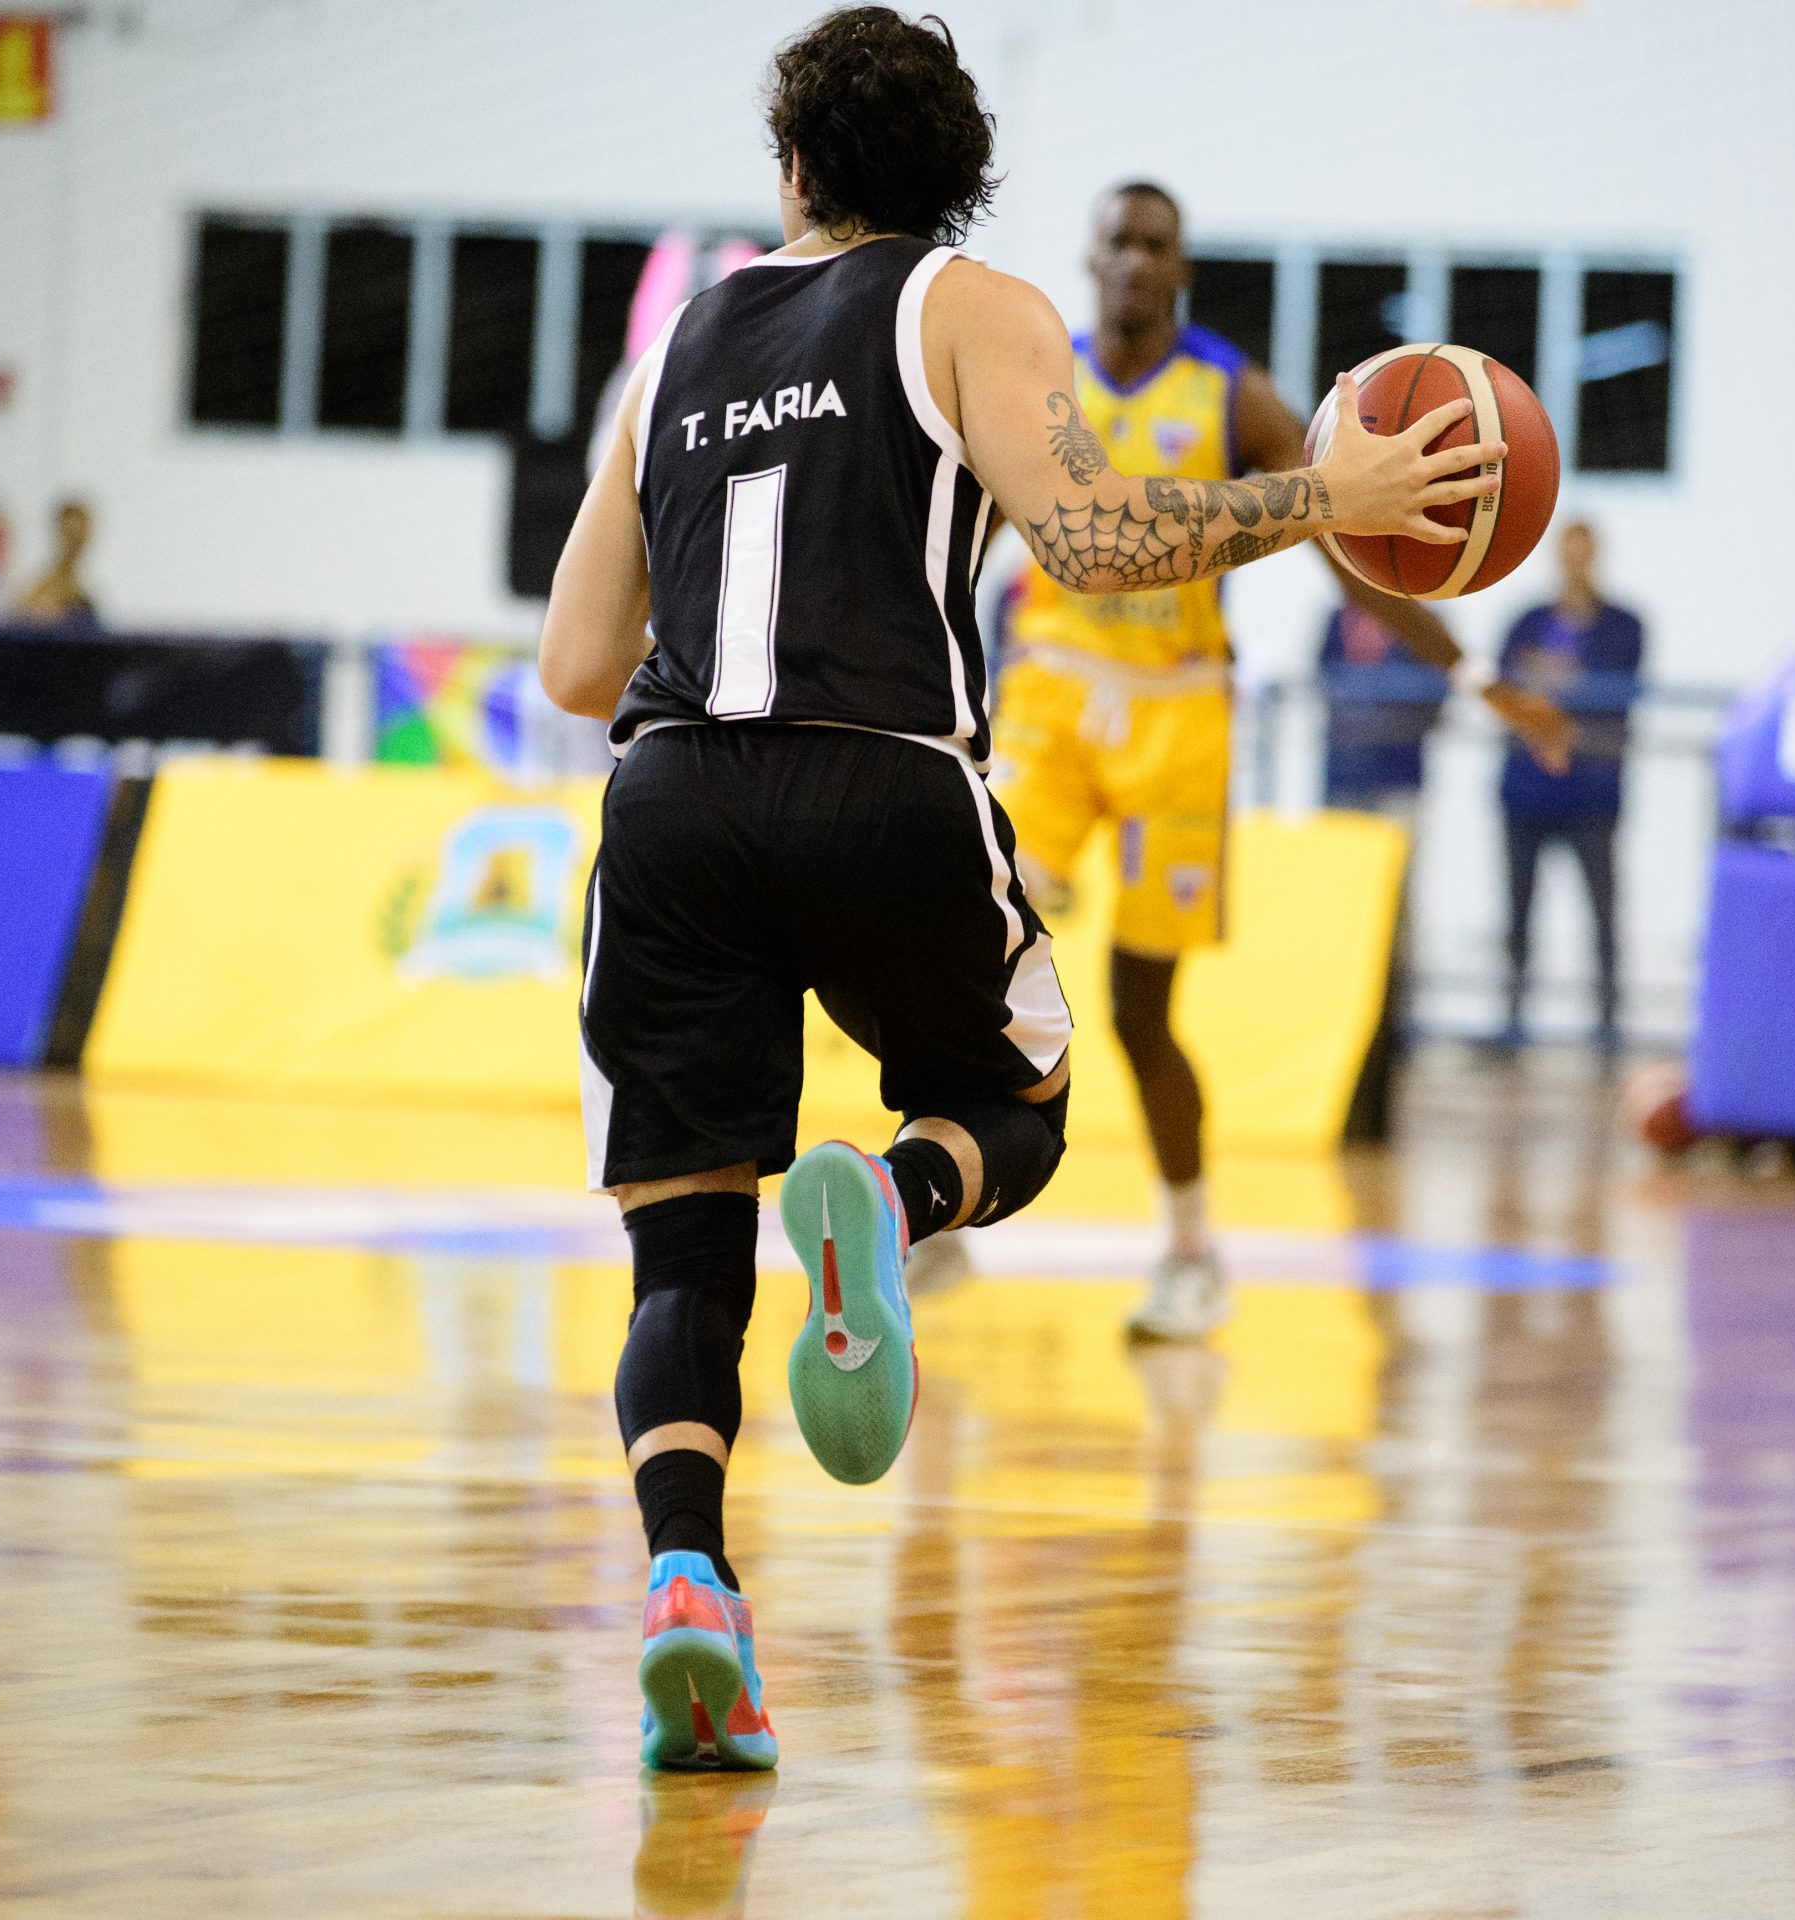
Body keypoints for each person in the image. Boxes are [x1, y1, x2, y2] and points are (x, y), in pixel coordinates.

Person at [537, 7, 1505, 1772]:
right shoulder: (970, 304)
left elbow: (577, 665)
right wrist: (1328, 492)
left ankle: (690, 1586)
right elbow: (1093, 540)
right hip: (881, 778)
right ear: (961, 181)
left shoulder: (675, 344)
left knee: (682, 1254)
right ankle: (893, 1202)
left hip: (670, 802)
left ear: (793, 169)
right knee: (1021, 1094)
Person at [958, 180, 1571, 1339]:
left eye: (1156, 244)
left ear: (1180, 268)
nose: (1135, 261)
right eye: (1118, 241)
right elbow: (967, 535)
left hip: (1181, 714)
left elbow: (1349, 549)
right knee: (970, 928)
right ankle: (944, 1194)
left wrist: (1472, 674)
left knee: (1141, 1013)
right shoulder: (1046, 384)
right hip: (1049, 696)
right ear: (1091, 258)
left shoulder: (1231, 393)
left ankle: (1191, 1252)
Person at [1495, 519, 1644, 1051]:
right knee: (1518, 913)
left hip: (1591, 794)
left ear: (1595, 556)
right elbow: (1505, 688)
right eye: (1567, 552)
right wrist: (1549, 702)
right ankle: (1512, 1022)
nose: (1575, 562)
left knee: (1602, 913)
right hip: (1527, 791)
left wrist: (1548, 684)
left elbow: (1613, 693)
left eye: (1584, 552)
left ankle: (1607, 1026)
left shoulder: (1624, 626)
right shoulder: (1527, 620)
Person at [15, 498, 98, 624]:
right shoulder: (46, 583)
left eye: (81, 530)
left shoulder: (84, 578)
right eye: (70, 533)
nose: (76, 539)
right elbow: (27, 610)